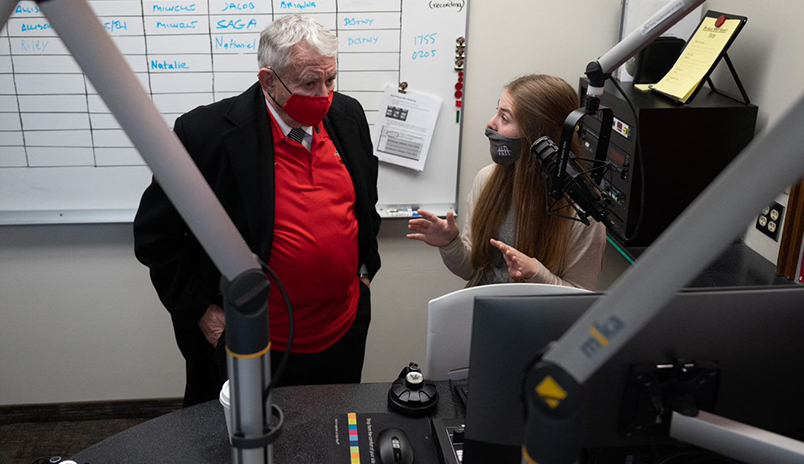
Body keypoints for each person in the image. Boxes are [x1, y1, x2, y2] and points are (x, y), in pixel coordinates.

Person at [134, 14, 380, 406]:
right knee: (244, 443)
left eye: (330, 80)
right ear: (268, 80)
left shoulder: (348, 116)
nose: (324, 95)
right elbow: (156, 238)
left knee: (332, 434)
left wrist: (365, 271)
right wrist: (204, 315)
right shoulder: (205, 134)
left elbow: (366, 205)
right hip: (252, 344)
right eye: (308, 83)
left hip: (342, 332)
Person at [407, 74, 605, 290]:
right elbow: (470, 270)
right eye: (497, 112)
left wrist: (536, 273)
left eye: (505, 118)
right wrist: (450, 243)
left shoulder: (582, 209)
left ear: (538, 134)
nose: (491, 124)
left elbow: (578, 300)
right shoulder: (487, 179)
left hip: (542, 321)